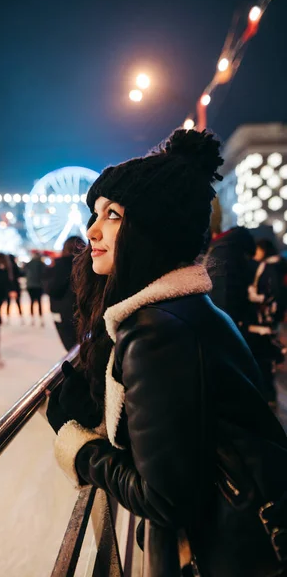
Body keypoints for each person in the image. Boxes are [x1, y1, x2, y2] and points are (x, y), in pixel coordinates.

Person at [47, 130, 287, 577]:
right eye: (95, 213)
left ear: (152, 230)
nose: (92, 230)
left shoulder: (157, 334)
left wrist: (79, 447)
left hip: (234, 554)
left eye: (113, 215)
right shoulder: (185, 311)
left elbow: (164, 498)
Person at [246, 238, 286, 406]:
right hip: (270, 318)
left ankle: (269, 396)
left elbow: (273, 292)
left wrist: (258, 299)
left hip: (265, 319)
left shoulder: (269, 267)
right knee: (266, 354)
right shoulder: (277, 265)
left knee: (265, 356)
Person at [45, 236, 84, 351]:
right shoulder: (87, 265)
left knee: (72, 349)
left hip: (63, 312)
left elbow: (53, 289)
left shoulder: (60, 265)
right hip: (83, 311)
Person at [25, 252, 45, 326]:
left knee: (32, 302)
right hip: (39, 285)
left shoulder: (29, 264)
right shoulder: (41, 264)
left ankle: (32, 319)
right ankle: (41, 319)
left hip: (30, 285)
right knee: (39, 302)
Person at [6, 254, 24, 323]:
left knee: (8, 303)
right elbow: (20, 274)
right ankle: (21, 318)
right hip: (15, 286)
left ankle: (8, 318)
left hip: (9, 287)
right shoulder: (15, 267)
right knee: (18, 303)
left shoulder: (7, 267)